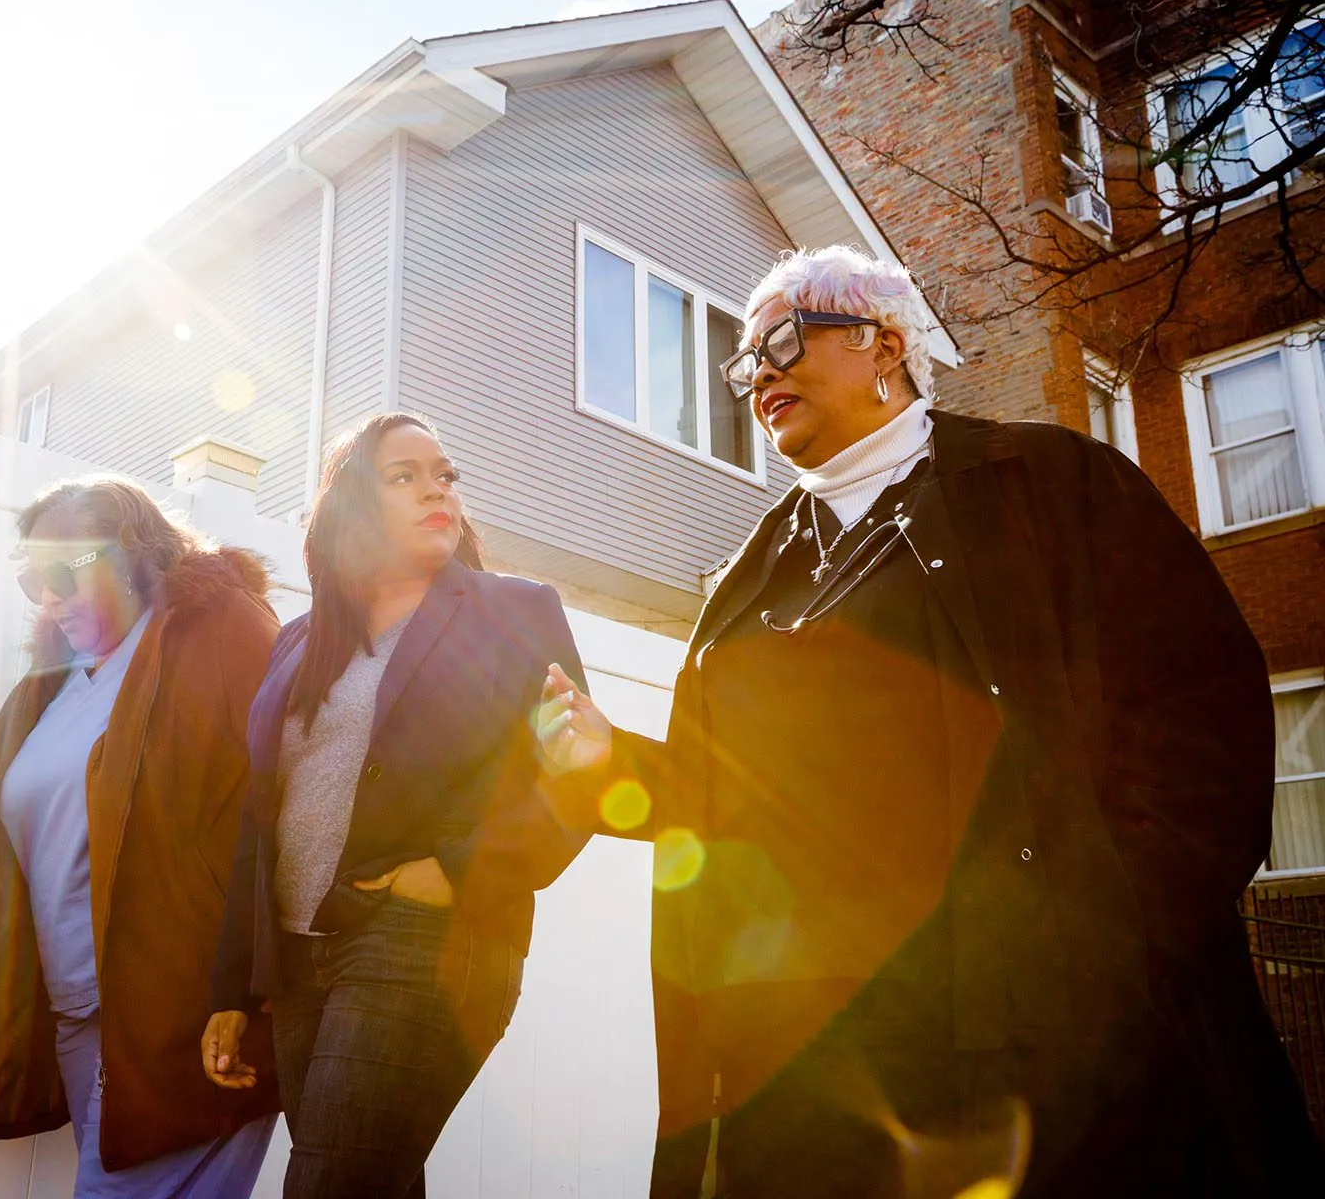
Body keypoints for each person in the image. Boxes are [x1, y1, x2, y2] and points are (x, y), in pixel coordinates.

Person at [537, 245, 1322, 1196]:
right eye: (748, 363)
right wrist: (607, 759)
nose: (761, 374)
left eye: (784, 339)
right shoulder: (749, 580)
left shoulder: (1049, 484)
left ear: (881, 344)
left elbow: (1201, 701)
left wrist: (1114, 925)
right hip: (818, 1062)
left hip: (1031, 1030)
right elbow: (737, 808)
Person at [203, 412, 588, 1198]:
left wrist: (448, 873)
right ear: (350, 504)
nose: (435, 490)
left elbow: (579, 774)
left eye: (444, 475)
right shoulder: (299, 641)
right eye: (404, 477)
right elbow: (260, 818)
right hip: (301, 962)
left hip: (429, 941)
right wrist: (234, 992)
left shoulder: (513, 611)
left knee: (329, 1186)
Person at [0, 476, 279, 1197]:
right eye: (30, 580)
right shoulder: (48, 689)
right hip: (80, 1018)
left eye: (61, 571)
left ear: (132, 554)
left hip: (190, 1018)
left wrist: (251, 988)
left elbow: (283, 800)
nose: (46, 597)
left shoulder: (219, 630)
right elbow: (28, 856)